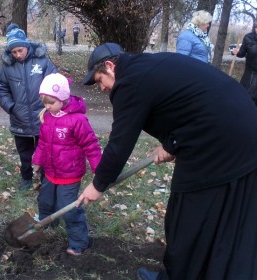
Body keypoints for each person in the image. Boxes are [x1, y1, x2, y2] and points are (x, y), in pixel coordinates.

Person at [77, 43, 257, 279]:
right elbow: (189, 104)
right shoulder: (147, 67)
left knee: (186, 213)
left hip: (221, 142)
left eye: (100, 80)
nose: (101, 88)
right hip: (243, 129)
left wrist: (98, 184)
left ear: (110, 66)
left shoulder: (129, 82)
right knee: (221, 208)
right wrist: (172, 144)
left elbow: (120, 143)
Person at [32, 73, 102, 256]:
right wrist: (37, 161)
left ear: (63, 99)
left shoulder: (77, 120)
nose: (47, 106)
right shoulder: (47, 116)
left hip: (69, 175)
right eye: (44, 102)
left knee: (69, 208)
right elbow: (43, 143)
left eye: (51, 102)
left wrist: (98, 170)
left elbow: (91, 146)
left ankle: (78, 242)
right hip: (50, 171)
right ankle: (48, 225)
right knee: (45, 201)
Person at [0, 23, 57, 190]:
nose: (17, 55)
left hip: (42, 117)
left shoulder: (42, 61)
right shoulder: (7, 67)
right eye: (13, 52)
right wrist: (11, 107)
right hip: (19, 118)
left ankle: (45, 178)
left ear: (26, 46)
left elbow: (54, 83)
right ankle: (26, 178)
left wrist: (49, 106)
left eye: (20, 50)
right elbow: (0, 88)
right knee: (24, 153)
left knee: (44, 150)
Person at [233, 22, 257, 105]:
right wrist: (236, 52)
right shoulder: (248, 37)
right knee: (247, 97)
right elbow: (242, 53)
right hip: (251, 73)